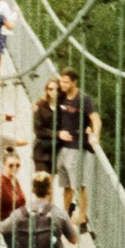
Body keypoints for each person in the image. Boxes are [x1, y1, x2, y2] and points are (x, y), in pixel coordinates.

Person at [36, 67, 102, 230]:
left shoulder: (83, 99)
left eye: (66, 82)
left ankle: (82, 217)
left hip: (76, 148)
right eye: (61, 81)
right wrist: (36, 105)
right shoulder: (62, 95)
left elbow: (95, 118)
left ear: (74, 82)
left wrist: (95, 136)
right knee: (65, 186)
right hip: (61, 147)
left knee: (78, 185)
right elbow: (47, 98)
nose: (62, 85)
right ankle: (65, 214)